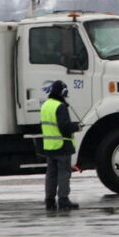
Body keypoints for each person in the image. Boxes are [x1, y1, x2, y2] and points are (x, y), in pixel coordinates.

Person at [40, 80, 79, 210]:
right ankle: (63, 200)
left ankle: (49, 201)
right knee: (64, 173)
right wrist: (77, 126)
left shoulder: (45, 105)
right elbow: (65, 128)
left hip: (49, 147)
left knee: (51, 174)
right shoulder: (60, 106)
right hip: (62, 145)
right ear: (62, 92)